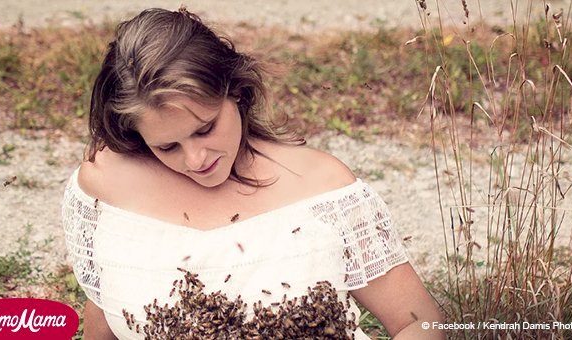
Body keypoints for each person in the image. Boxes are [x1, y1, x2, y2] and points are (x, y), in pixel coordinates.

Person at [61, 7, 445, 340]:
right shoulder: (105, 185)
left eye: (205, 128)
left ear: (237, 92)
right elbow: (107, 300)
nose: (196, 159)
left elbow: (422, 322)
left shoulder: (321, 187)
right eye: (167, 146)